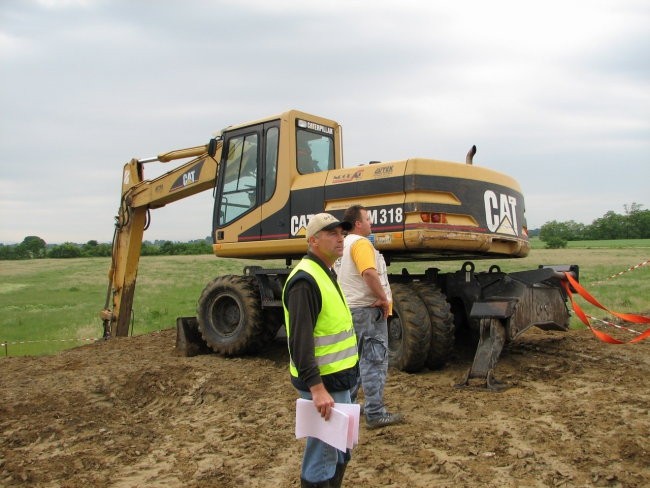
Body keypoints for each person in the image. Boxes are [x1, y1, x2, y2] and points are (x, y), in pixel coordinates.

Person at [282, 212, 357, 488]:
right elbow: (300, 343)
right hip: (325, 384)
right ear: (313, 240)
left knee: (339, 449)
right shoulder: (305, 281)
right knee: (323, 455)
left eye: (342, 233)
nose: (341, 238)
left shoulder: (326, 271)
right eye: (332, 234)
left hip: (340, 379)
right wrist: (316, 388)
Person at [336, 205, 404, 429]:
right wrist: (383, 298)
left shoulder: (343, 244)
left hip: (350, 311)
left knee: (353, 362)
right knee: (374, 361)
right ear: (357, 223)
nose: (371, 223)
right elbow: (368, 272)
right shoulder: (361, 244)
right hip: (367, 311)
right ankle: (375, 412)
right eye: (367, 219)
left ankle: (352, 405)